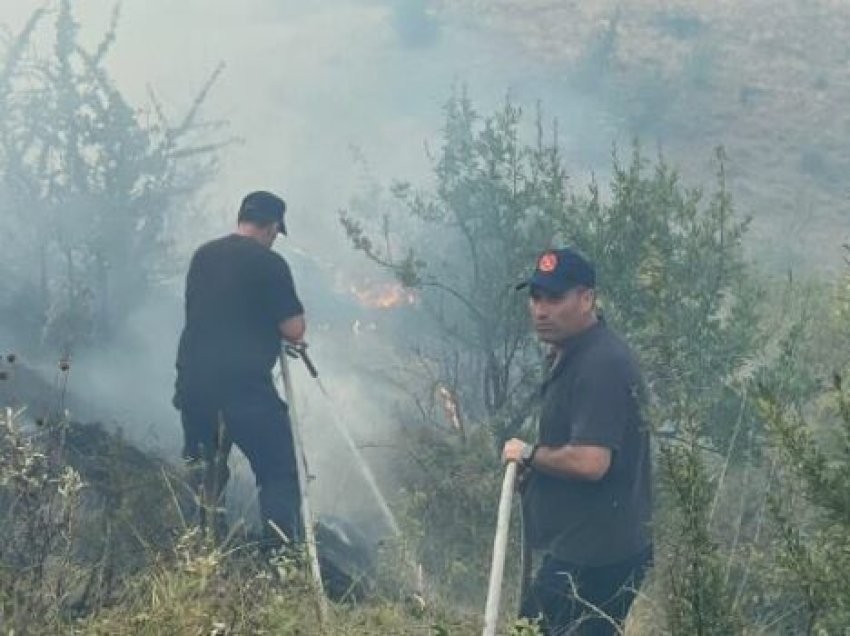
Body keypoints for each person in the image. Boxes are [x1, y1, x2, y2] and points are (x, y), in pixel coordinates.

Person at [503, 248, 653, 635]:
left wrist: (530, 455)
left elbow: (590, 462)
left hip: (597, 557)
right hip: (582, 547)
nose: (541, 310)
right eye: (536, 297)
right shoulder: (571, 353)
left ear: (587, 299)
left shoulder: (601, 363)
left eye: (555, 298)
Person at [173, 190, 306, 545]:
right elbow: (294, 329)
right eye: (277, 232)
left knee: (206, 475)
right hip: (243, 390)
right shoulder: (269, 263)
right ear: (272, 227)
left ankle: (202, 555)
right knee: (280, 470)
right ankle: (281, 559)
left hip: (194, 385)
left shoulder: (204, 256)